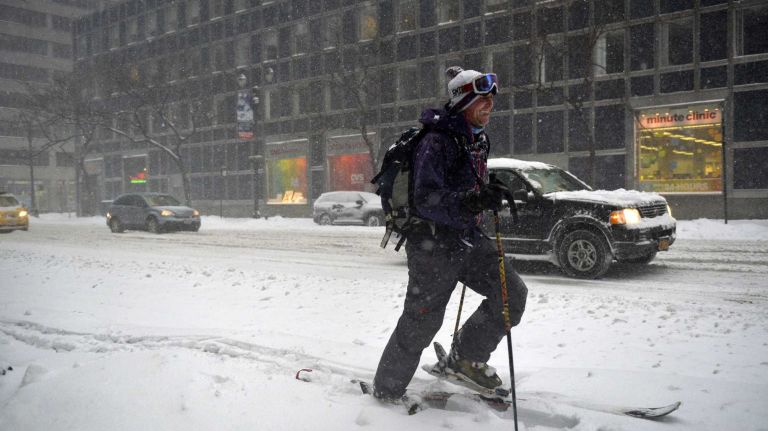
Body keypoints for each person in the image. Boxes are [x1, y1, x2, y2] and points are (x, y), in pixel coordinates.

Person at [372, 66, 529, 401]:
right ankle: (386, 392)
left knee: (511, 294)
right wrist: (471, 200)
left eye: (491, 100)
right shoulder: (436, 141)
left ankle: (466, 358)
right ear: (462, 101)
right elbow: (426, 199)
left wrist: (487, 193)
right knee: (421, 322)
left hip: (468, 238)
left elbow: (466, 187)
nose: (489, 106)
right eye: (481, 100)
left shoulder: (476, 139)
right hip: (433, 245)